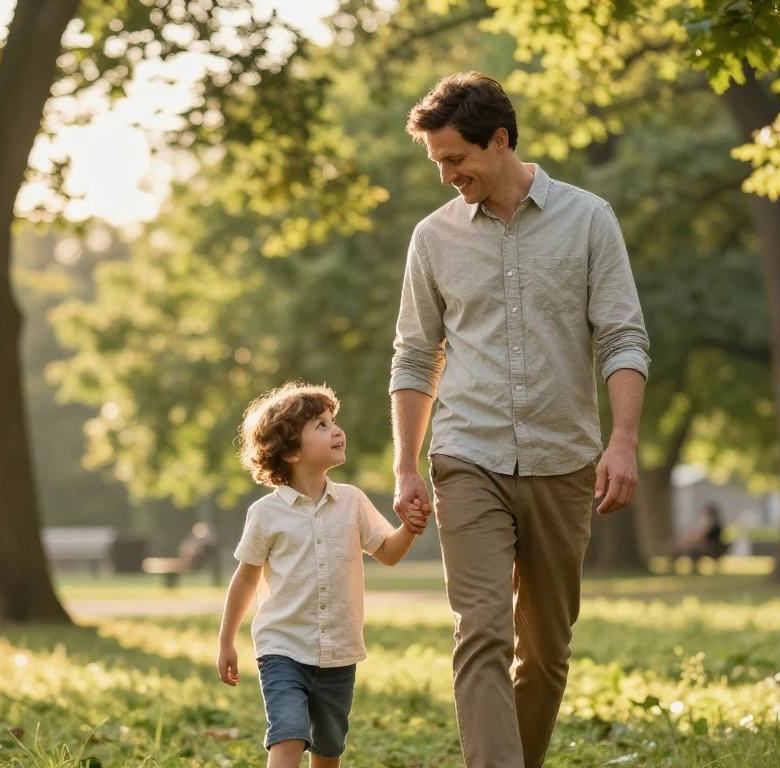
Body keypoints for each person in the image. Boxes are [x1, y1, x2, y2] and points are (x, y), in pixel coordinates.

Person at [390, 73, 650, 767]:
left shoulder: (589, 219)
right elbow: (415, 357)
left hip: (564, 459)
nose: (448, 176)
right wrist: (407, 466)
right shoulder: (432, 239)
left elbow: (622, 336)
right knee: (481, 634)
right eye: (438, 162)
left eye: (455, 159)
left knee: (545, 651)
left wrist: (622, 442)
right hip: (466, 456)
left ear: (500, 140)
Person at [216, 382, 427, 768]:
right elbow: (245, 579)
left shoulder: (352, 501)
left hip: (339, 652)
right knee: (289, 733)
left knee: (328, 750)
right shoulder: (266, 514)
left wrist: (409, 528)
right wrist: (226, 640)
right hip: (282, 649)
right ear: (292, 451)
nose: (337, 430)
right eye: (321, 425)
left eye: (334, 421)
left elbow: (389, 554)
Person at [676, 503, 727, 569]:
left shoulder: (712, 525)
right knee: (686, 546)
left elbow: (702, 537)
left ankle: (693, 568)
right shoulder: (717, 525)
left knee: (691, 549)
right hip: (714, 548)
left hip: (711, 549)